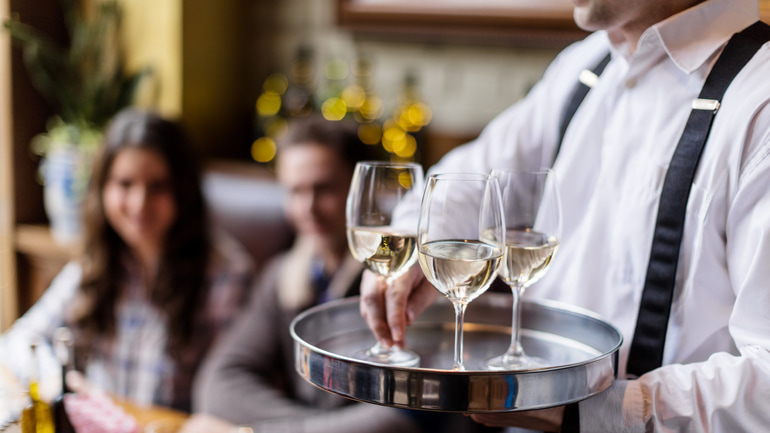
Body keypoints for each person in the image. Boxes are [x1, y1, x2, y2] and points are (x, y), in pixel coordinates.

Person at [359, 0, 770, 432]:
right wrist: (416, 240)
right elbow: (471, 179)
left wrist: (585, 410)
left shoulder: (759, 105)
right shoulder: (585, 65)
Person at [183, 116, 491, 433]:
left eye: (323, 189)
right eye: (295, 191)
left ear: (360, 194)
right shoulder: (282, 275)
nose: (308, 208)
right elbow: (218, 385)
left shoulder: (407, 277)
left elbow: (407, 417)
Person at [0, 108, 255, 412]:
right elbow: (19, 341)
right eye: (124, 184)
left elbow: (228, 392)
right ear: (103, 189)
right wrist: (55, 379)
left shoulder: (226, 273)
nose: (139, 203)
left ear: (183, 190)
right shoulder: (99, 260)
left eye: (157, 186)